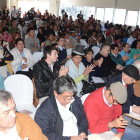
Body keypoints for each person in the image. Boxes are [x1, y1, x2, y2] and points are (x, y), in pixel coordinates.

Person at [35, 75, 88, 140]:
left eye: (71, 96)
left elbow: (83, 118)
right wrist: (70, 139)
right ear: (56, 93)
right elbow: (44, 135)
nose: (69, 100)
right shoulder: (44, 111)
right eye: (66, 97)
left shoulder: (75, 100)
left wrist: (82, 132)